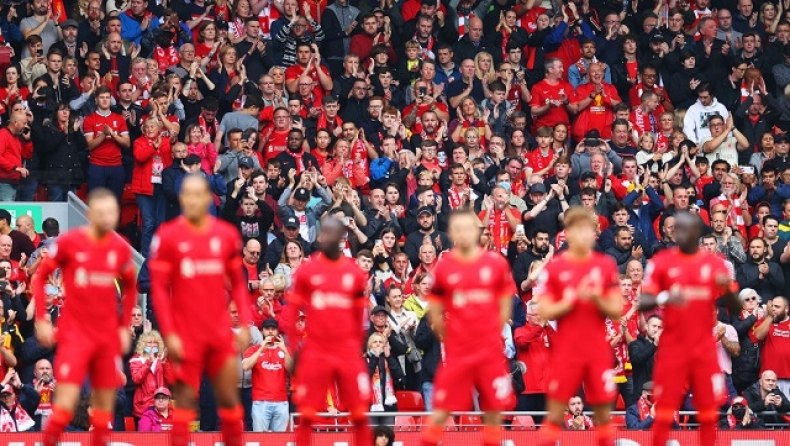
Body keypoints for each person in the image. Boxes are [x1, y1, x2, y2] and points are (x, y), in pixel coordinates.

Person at [149, 175, 252, 446]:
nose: (193, 200)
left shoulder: (226, 235)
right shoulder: (167, 236)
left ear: (209, 198)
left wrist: (244, 322)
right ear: (181, 199)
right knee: (183, 403)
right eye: (188, 194)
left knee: (229, 399)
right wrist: (168, 332)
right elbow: (158, 290)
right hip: (186, 332)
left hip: (219, 331)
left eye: (199, 194)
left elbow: (238, 284)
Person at [33, 188, 138, 446]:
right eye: (101, 213)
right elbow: (40, 277)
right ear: (90, 214)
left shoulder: (119, 249)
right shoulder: (69, 243)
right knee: (65, 405)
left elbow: (131, 289)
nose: (106, 219)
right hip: (74, 336)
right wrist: (42, 319)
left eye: (111, 213)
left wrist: (124, 329)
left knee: (103, 408)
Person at [639, 211, 742, 446]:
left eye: (687, 229)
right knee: (664, 409)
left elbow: (734, 306)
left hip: (704, 348)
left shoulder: (715, 264)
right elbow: (644, 301)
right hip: (673, 347)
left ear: (697, 232)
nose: (682, 234)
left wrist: (728, 288)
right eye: (678, 229)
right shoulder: (661, 263)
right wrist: (666, 296)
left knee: (709, 411)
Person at [421, 209, 516, 446]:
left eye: (468, 228)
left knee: (495, 407)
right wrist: (448, 334)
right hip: (459, 350)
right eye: (458, 229)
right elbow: (433, 308)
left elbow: (505, 304)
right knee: (442, 408)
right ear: (452, 233)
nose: (464, 233)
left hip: (488, 349)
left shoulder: (495, 263)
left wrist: (492, 332)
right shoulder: (444, 267)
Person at [535, 206, 623, 446]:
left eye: (589, 230)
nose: (585, 235)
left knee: (604, 412)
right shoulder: (555, 268)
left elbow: (616, 309)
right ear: (568, 233)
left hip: (597, 350)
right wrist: (572, 298)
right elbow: (544, 310)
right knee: (555, 411)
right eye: (579, 229)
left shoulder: (605, 265)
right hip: (566, 351)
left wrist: (596, 298)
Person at [281, 216, 372, 446]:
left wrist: (356, 347)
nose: (331, 239)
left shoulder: (354, 273)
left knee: (359, 414)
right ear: (320, 237)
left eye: (336, 235)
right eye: (326, 234)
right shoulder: (307, 272)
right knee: (308, 414)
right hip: (317, 349)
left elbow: (360, 316)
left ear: (342, 239)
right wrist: (294, 348)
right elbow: (291, 314)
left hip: (346, 350)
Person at [241, 318, 292, 432]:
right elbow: (245, 367)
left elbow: (292, 370)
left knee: (280, 442)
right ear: (262, 331)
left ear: (277, 331)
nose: (270, 331)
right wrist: (260, 349)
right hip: (260, 402)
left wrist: (284, 350)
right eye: (267, 329)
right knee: (261, 440)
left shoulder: (285, 349)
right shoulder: (253, 349)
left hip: (281, 402)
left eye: (273, 329)